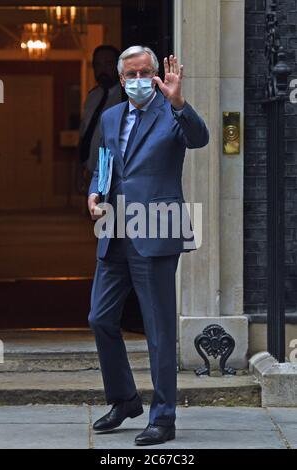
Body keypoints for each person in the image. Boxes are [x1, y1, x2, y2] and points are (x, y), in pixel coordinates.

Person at [87, 45, 209, 446]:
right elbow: (104, 163)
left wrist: (179, 102)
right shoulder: (109, 116)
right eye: (131, 74)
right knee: (100, 318)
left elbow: (199, 138)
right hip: (114, 229)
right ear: (122, 80)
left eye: (145, 72)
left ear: (156, 75)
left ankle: (164, 417)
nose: (138, 80)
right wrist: (94, 193)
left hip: (157, 228)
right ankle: (123, 400)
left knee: (158, 329)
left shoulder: (170, 112)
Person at [79, 45, 122, 173]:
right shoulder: (92, 96)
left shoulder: (126, 97)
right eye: (98, 65)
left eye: (108, 64)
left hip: (114, 173)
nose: (102, 70)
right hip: (89, 170)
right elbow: (84, 133)